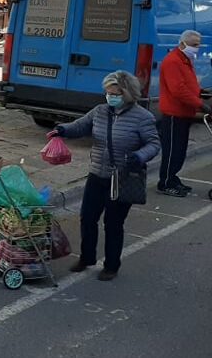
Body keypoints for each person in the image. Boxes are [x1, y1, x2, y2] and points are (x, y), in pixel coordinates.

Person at [49, 71, 160, 281]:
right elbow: (81, 125)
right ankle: (87, 257)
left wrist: (139, 156)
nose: (110, 97)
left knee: (114, 223)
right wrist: (62, 130)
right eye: (108, 93)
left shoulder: (142, 117)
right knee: (87, 218)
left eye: (115, 93)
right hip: (97, 174)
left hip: (122, 178)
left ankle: (111, 265)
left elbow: (154, 144)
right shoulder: (100, 111)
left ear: (127, 93)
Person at [156, 30, 211, 197]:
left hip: (184, 113)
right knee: (172, 150)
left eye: (198, 45)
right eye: (194, 45)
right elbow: (178, 90)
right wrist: (201, 105)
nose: (197, 48)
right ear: (182, 44)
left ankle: (172, 178)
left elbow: (188, 84)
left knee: (180, 150)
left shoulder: (185, 60)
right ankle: (165, 182)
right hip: (174, 113)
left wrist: (201, 93)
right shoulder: (173, 61)